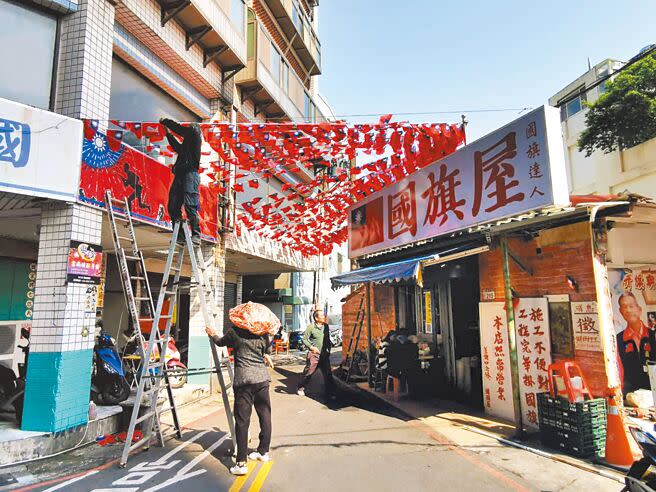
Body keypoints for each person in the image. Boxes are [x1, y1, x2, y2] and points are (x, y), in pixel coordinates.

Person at [205, 324, 274, 476]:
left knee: (242, 421)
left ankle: (241, 463)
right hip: (262, 379)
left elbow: (221, 342)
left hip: (244, 382)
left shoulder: (235, 332)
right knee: (265, 416)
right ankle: (263, 452)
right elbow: (266, 351)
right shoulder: (263, 333)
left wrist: (213, 334)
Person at [160, 118, 202, 244]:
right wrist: (168, 134)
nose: (187, 128)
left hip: (190, 174)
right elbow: (177, 147)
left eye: (189, 127)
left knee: (190, 205)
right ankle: (180, 235)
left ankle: (196, 234)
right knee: (173, 206)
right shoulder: (187, 147)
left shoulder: (194, 135)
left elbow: (179, 128)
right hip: (180, 174)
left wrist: (165, 121)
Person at [616, 292, 655, 393]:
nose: (628, 310)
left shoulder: (653, 335)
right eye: (624, 307)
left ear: (639, 309)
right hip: (630, 397)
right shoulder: (619, 339)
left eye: (631, 306)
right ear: (621, 312)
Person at [297, 310, 336, 399]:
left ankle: (330, 393)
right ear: (316, 318)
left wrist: (328, 350)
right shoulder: (311, 327)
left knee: (328, 374)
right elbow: (305, 339)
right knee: (309, 372)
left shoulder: (326, 326)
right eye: (321, 315)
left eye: (324, 315)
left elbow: (327, 339)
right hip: (314, 354)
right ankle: (300, 387)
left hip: (324, 355)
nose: (324, 316)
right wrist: (311, 347)